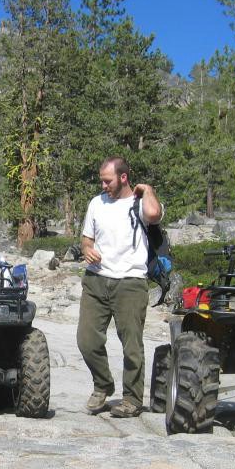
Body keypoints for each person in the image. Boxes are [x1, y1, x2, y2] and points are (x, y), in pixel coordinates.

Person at [77, 156, 163, 417]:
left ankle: (132, 399)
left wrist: (147, 189)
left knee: (132, 345)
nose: (103, 185)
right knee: (87, 340)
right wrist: (87, 250)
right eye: (102, 180)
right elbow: (86, 239)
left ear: (123, 177)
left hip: (131, 282)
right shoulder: (96, 204)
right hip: (96, 279)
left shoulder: (140, 203)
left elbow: (154, 214)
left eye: (108, 180)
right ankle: (102, 385)